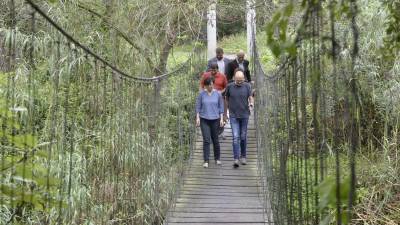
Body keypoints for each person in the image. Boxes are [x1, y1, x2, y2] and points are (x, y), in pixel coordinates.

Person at [224, 69, 254, 168]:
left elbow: (250, 97)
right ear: (234, 79)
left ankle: (243, 156)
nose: (240, 82)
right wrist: (225, 112)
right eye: (238, 80)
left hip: (245, 115)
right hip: (233, 115)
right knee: (235, 137)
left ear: (244, 79)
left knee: (243, 136)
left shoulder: (247, 86)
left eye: (241, 80)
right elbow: (226, 99)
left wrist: (251, 103)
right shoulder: (229, 86)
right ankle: (236, 158)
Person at [196, 77, 225, 168]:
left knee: (215, 139)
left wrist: (221, 119)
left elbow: (221, 107)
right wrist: (197, 118)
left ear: (213, 84)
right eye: (208, 85)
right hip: (204, 119)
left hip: (215, 119)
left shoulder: (218, 94)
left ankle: (217, 158)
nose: (210, 86)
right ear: (205, 86)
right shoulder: (201, 94)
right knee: (206, 140)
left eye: (211, 84)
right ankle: (206, 160)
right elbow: (198, 107)